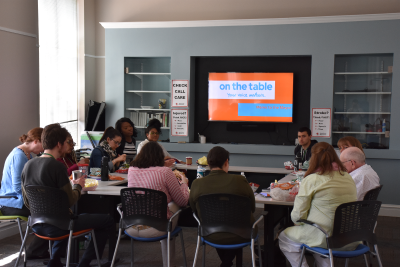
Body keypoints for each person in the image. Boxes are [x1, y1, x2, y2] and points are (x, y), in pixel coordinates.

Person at [21, 123, 114, 267]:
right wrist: (78, 185)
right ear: (59, 144)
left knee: (62, 215)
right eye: (67, 142)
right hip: (61, 225)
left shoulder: (28, 164)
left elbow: (27, 200)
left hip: (36, 224)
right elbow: (70, 200)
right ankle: (84, 263)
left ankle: (55, 261)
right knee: (107, 220)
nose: (69, 145)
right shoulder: (57, 167)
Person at [279, 142, 357, 267]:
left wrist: (300, 223)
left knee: (284, 236)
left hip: (324, 237)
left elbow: (298, 217)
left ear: (313, 159)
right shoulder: (347, 177)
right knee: (315, 234)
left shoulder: (312, 180)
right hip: (350, 236)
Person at [189, 146, 256, 267]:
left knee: (220, 222)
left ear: (208, 163)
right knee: (234, 222)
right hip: (242, 233)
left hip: (209, 233)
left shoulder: (197, 184)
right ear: (226, 162)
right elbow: (252, 208)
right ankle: (226, 262)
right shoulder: (240, 181)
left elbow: (194, 209)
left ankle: (226, 263)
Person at [127, 141, 189, 267]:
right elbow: (182, 201)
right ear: (160, 156)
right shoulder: (165, 172)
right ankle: (168, 264)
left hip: (130, 226)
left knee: (164, 205)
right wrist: (184, 184)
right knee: (173, 204)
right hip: (157, 228)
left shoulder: (131, 170)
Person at [0, 127, 49, 259]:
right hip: (12, 203)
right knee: (49, 212)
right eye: (43, 146)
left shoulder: (28, 155)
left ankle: (44, 249)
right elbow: (17, 188)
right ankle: (35, 251)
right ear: (36, 141)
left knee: (51, 209)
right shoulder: (18, 156)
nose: (43, 150)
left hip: (21, 200)